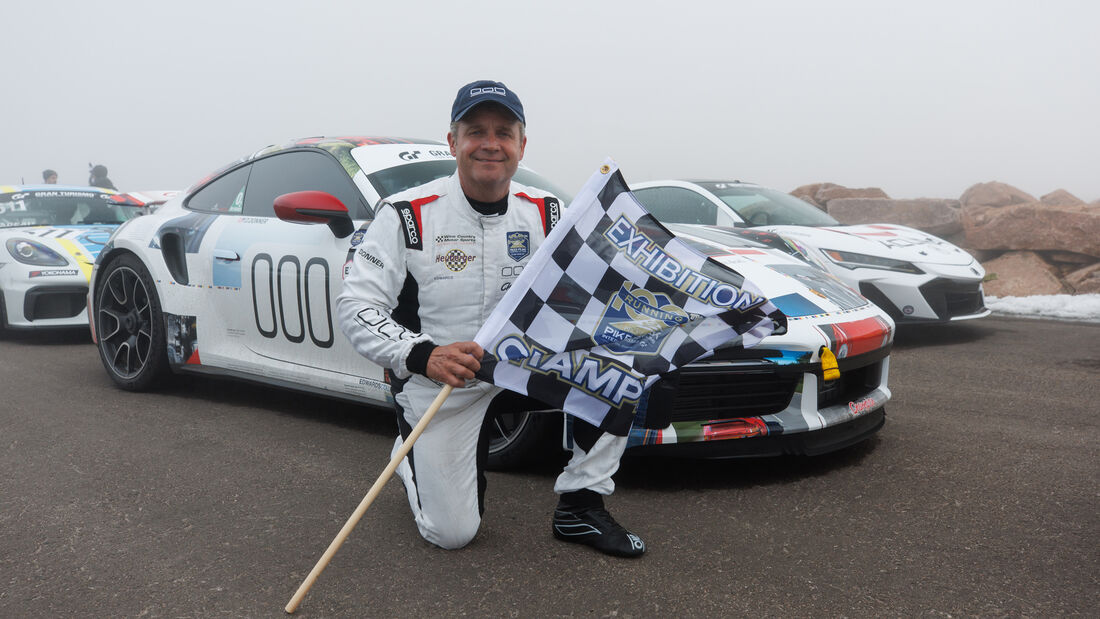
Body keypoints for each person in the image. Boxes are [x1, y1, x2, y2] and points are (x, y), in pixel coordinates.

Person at [336, 80, 645, 558]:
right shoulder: (406, 215)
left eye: (504, 132)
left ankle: (581, 508)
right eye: (475, 130)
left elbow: (593, 292)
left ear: (522, 145)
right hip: (444, 383)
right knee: (453, 535)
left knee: (622, 364)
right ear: (453, 141)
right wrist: (422, 354)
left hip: (524, 368)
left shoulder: (548, 211)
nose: (490, 143)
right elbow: (357, 307)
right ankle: (409, 456)